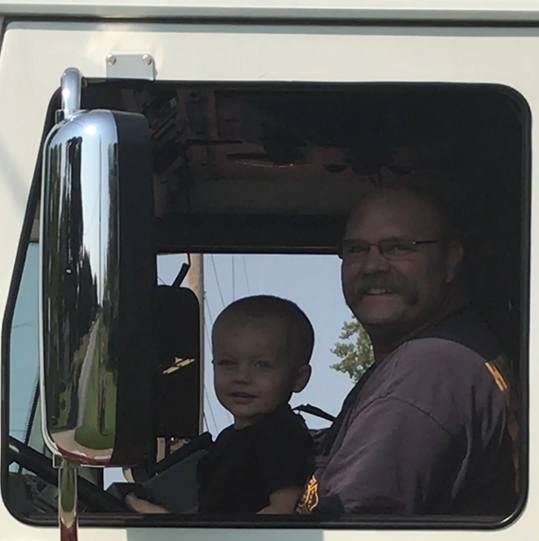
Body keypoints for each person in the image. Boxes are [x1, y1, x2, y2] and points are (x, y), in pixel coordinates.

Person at [297, 183, 517, 516]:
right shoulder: (453, 355)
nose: (372, 266)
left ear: (451, 259)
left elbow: (350, 532)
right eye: (356, 249)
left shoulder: (429, 370)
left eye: (398, 248)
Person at [127, 294, 314, 516]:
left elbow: (283, 514)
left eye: (262, 365)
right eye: (227, 363)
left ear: (299, 378)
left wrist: (170, 524)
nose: (241, 377)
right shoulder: (227, 441)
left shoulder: (283, 438)